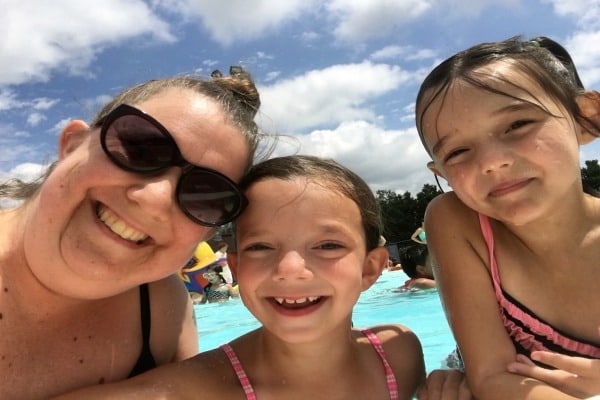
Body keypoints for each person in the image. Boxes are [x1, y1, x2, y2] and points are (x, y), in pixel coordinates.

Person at [52, 155, 426, 399]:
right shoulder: (199, 391)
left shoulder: (398, 354)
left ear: (369, 269)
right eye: (261, 247)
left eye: (327, 245)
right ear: (235, 266)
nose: (290, 270)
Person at [0, 66, 265, 399]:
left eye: (206, 196)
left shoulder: (163, 312)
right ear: (72, 145)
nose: (153, 200)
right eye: (140, 147)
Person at [415, 35, 600, 399]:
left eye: (517, 125)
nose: (491, 162)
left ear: (585, 119)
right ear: (440, 172)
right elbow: (492, 377)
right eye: (458, 152)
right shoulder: (458, 220)